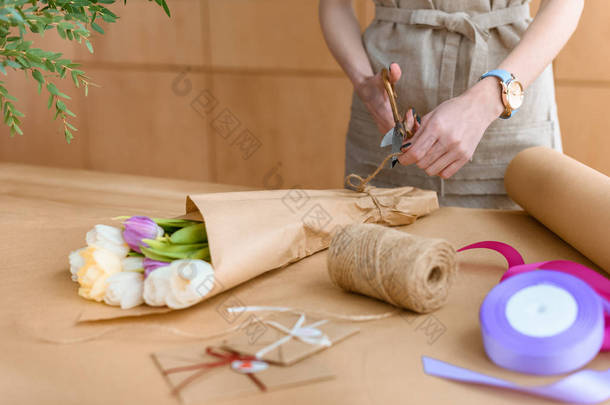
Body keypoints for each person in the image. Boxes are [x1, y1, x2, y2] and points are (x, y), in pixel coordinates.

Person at [319, 0, 583, 208]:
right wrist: (365, 83)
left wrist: (488, 100)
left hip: (511, 103)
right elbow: (334, 5)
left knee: (516, 264)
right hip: (386, 115)